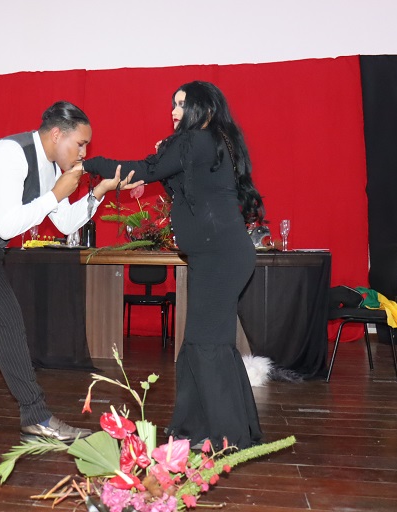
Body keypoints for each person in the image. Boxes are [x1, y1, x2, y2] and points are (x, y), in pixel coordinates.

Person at [0, 101, 141, 440]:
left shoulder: (50, 168)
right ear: (57, 134)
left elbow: (65, 224)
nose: (84, 153)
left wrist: (100, 191)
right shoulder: (9, 153)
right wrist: (55, 194)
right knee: (6, 318)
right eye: (80, 144)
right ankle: (36, 416)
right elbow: (7, 226)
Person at [83, 81, 264, 450]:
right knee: (202, 342)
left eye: (182, 104)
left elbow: (138, 169)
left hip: (220, 257)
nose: (174, 111)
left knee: (207, 344)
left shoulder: (196, 140)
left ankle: (228, 437)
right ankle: (199, 430)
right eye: (173, 104)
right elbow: (187, 193)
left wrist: (88, 164)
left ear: (205, 109)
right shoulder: (213, 141)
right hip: (218, 255)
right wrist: (164, 164)